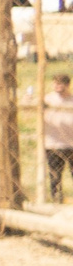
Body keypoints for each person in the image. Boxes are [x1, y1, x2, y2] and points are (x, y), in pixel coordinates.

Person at [47, 73, 73, 206]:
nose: (57, 85)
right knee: (55, 176)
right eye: (55, 82)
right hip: (53, 144)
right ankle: (56, 202)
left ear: (68, 85)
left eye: (61, 83)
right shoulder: (48, 99)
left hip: (71, 144)